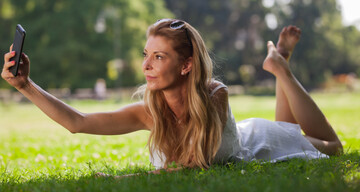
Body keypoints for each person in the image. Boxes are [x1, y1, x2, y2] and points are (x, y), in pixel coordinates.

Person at [1, 19, 342, 175]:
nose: (145, 65)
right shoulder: (148, 111)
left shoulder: (215, 94)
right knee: (288, 127)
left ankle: (281, 68)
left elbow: (198, 163)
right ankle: (279, 61)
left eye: (159, 57)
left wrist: (128, 178)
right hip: (247, 134)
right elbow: (79, 122)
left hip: (256, 143)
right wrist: (25, 86)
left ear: (186, 65)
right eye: (145, 54)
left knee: (332, 147)